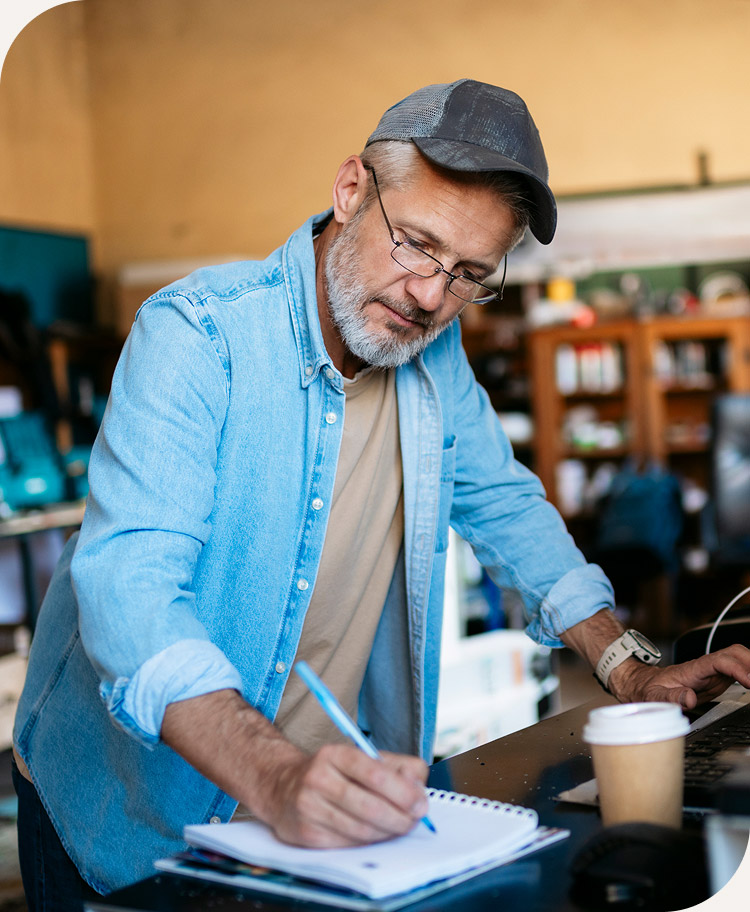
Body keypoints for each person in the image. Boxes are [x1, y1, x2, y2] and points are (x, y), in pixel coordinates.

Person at [12, 78, 750, 909]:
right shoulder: (198, 335)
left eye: (470, 273)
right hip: (132, 810)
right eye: (416, 245)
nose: (432, 296)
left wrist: (625, 664)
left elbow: (504, 504)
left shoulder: (434, 351)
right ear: (351, 189)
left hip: (317, 814)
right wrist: (277, 773)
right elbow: (127, 588)